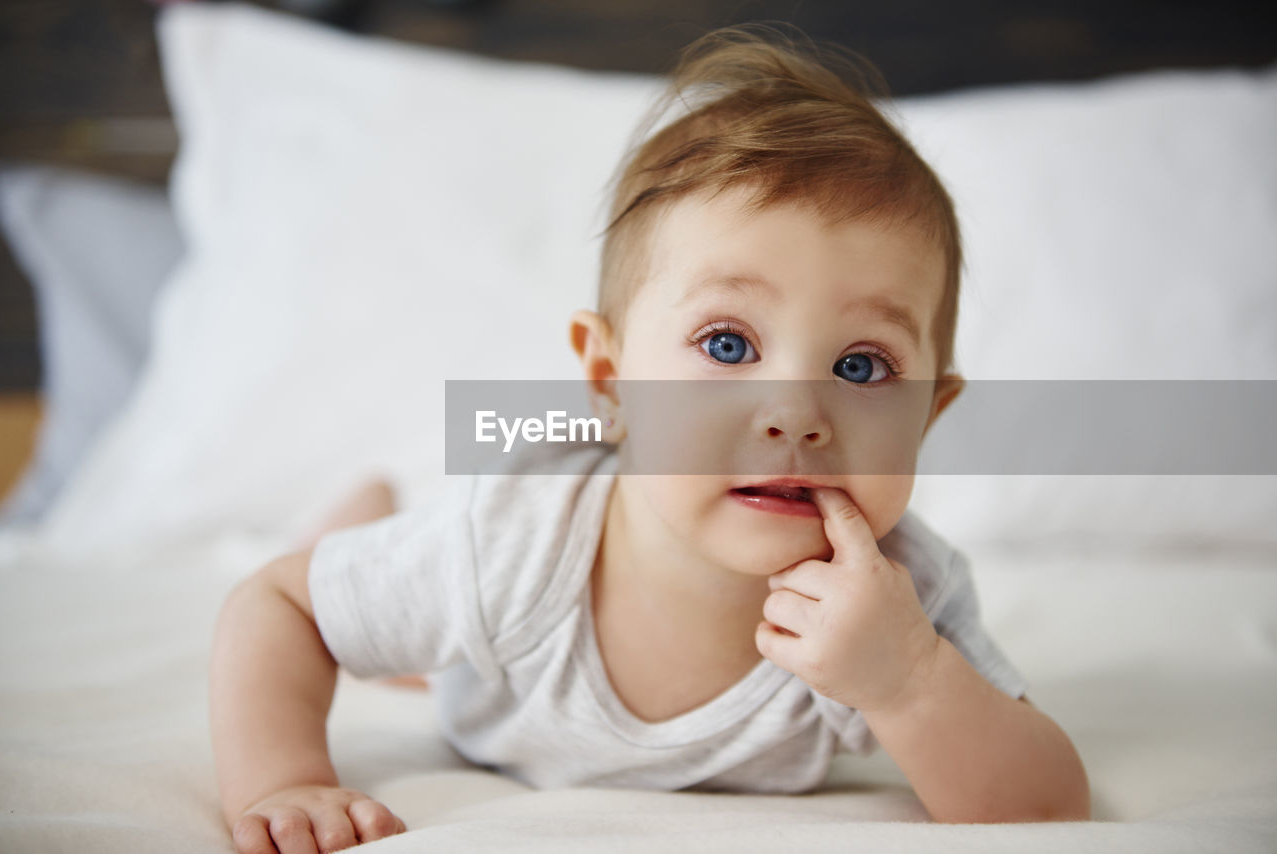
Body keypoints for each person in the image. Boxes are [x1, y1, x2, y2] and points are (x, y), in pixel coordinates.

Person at [210, 23, 1090, 854]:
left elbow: (1045, 809)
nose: (795, 414)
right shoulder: (511, 541)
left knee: (423, 636)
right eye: (727, 345)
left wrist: (908, 683)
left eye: (861, 367)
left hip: (510, 641)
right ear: (611, 381)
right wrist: (282, 781)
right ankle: (357, 523)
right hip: (493, 668)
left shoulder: (903, 608)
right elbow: (278, 606)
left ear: (929, 415)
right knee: (406, 640)